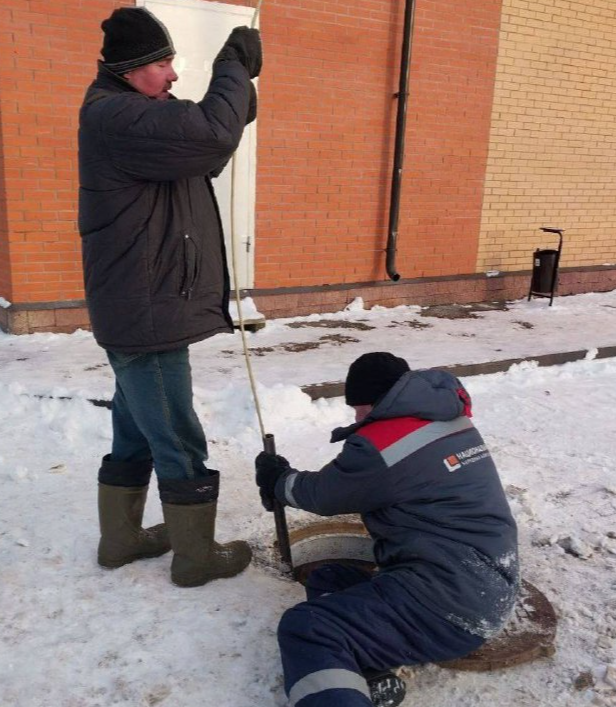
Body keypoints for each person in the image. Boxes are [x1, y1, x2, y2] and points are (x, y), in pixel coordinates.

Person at [79, 7, 261, 587]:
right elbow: (210, 134)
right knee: (177, 435)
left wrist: (241, 93)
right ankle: (195, 557)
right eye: (163, 64)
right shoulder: (118, 117)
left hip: (140, 305)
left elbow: (206, 145)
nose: (174, 74)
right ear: (131, 71)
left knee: (135, 427)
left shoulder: (134, 114)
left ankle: (121, 539)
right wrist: (231, 66)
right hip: (146, 310)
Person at [255, 352, 519, 707]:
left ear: (372, 401)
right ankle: (364, 676)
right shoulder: (446, 418)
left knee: (308, 628)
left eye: (357, 407)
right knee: (328, 579)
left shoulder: (384, 443)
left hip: (449, 607)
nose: (355, 416)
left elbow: (324, 494)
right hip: (483, 580)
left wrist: (277, 479)